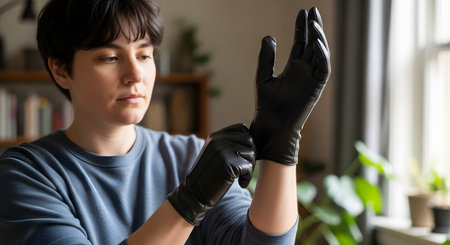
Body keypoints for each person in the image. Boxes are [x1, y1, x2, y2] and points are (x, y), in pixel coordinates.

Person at [0, 0, 330, 244]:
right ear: (60, 69)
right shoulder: (26, 174)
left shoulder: (190, 156)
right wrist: (190, 201)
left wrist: (280, 147)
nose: (134, 75)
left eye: (144, 55)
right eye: (110, 57)